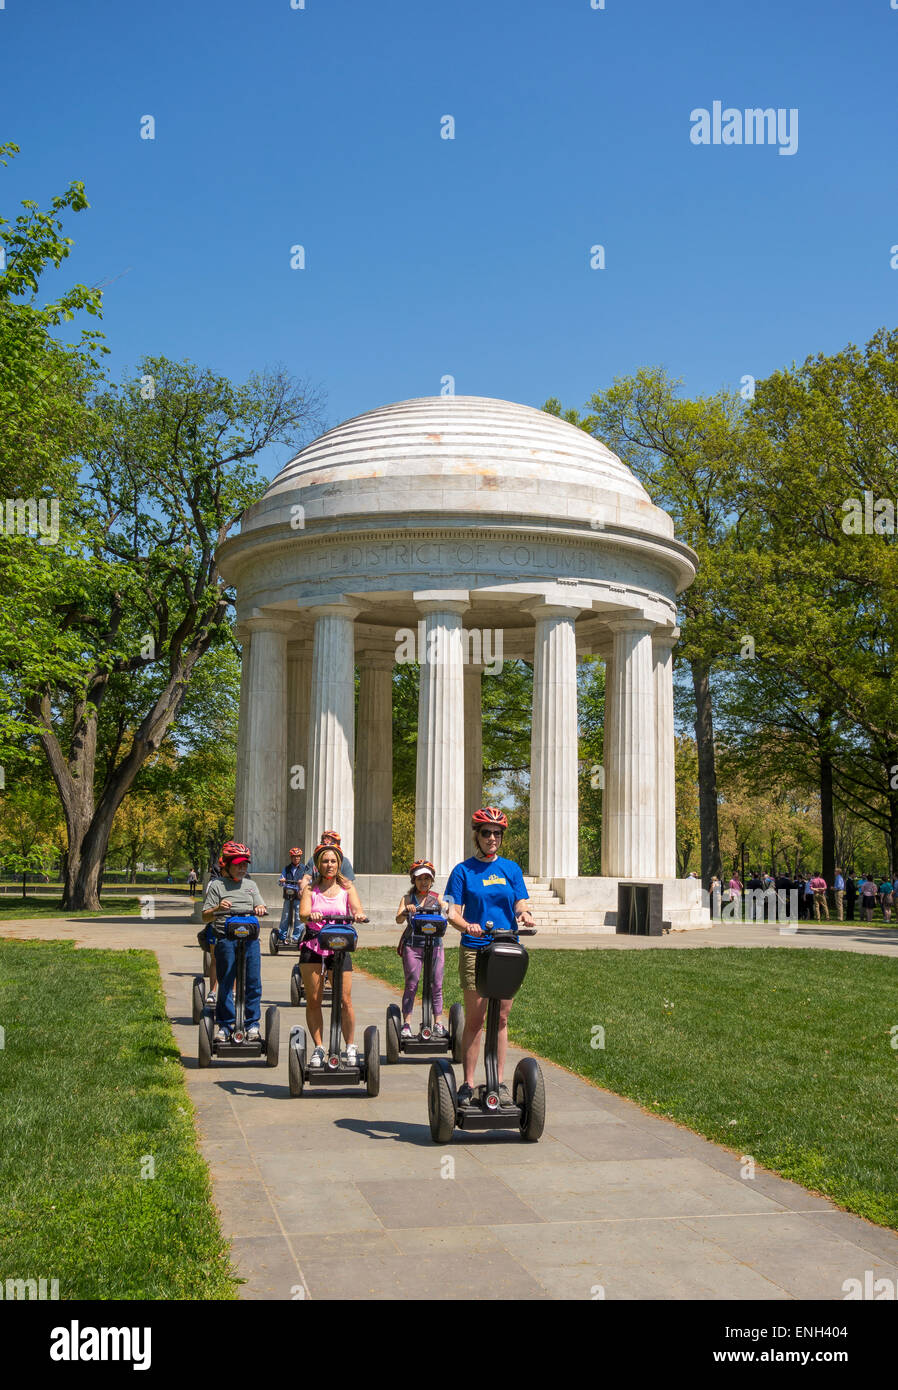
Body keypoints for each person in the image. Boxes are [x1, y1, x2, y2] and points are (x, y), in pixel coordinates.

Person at [444, 807, 535, 1108]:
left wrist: (524, 914)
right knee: (476, 1018)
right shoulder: (463, 871)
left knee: (503, 1017)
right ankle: (469, 1084)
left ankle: (498, 1082)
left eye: (497, 833)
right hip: (475, 947)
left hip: (507, 946)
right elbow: (451, 911)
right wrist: (465, 923)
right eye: (486, 832)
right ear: (477, 836)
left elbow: (520, 901)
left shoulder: (510, 869)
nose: (492, 838)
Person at [298, 841, 367, 1068]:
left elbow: (357, 909)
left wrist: (357, 915)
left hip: (339, 945)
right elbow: (303, 913)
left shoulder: (347, 888)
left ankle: (349, 1045)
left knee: (345, 1000)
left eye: (333, 861)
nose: (329, 865)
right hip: (314, 945)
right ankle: (319, 1047)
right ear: (318, 864)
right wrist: (312, 915)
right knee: (314, 1000)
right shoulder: (310, 889)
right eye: (325, 861)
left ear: (340, 864)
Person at [201, 841, 268, 1044]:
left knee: (253, 983)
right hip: (226, 939)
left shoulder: (251, 885)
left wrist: (260, 909)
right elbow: (205, 916)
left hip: (249, 940)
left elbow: (260, 904)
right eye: (238, 864)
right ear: (227, 866)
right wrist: (217, 908)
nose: (242, 868)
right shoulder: (218, 886)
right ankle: (225, 1024)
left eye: (245, 865)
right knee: (226, 984)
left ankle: (252, 1024)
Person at [395, 859, 446, 1038]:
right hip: (413, 946)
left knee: (436, 984)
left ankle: (438, 1022)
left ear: (432, 880)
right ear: (413, 880)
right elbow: (399, 919)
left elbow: (449, 910)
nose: (423, 882)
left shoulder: (437, 897)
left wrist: (446, 907)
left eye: (427, 878)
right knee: (412, 983)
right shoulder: (408, 898)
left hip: (435, 946)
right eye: (419, 878)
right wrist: (406, 910)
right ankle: (407, 1024)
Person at [277, 846, 304, 943]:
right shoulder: (286, 868)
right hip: (288, 894)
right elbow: (280, 881)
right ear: (291, 857)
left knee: (298, 916)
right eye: (294, 856)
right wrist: (282, 881)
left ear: (300, 857)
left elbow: (309, 881)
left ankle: (296, 937)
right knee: (286, 915)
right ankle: (282, 936)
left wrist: (303, 882)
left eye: (298, 856)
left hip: (299, 895)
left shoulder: (304, 869)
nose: (296, 858)